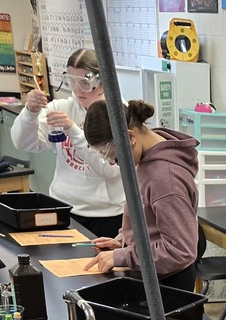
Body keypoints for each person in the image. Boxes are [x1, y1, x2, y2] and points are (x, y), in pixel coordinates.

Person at [82, 99, 200, 291]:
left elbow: (180, 251)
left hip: (167, 284)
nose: (112, 163)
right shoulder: (147, 158)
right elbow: (150, 221)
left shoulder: (165, 178)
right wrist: (124, 241)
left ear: (130, 136)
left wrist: (123, 256)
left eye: (114, 157)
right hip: (152, 273)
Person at [10, 48, 124, 237]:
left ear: (103, 81)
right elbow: (23, 143)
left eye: (85, 83)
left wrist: (74, 131)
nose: (77, 90)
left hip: (106, 214)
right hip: (63, 208)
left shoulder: (118, 114)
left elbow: (110, 170)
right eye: (72, 81)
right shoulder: (62, 108)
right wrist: (30, 112)